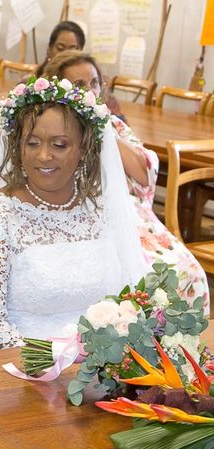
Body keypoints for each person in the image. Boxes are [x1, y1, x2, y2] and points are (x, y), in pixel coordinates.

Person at [0, 76, 150, 356]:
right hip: (24, 372)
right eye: (32, 143)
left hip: (103, 369)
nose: (43, 156)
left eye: (59, 145)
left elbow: (132, 296)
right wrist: (56, 360)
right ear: (18, 147)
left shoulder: (101, 211)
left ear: (84, 150)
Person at [43, 50, 209, 310]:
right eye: (79, 85)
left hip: (128, 216)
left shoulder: (112, 125)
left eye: (94, 82)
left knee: (190, 274)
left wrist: (104, 131)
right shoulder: (50, 129)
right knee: (129, 283)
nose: (90, 91)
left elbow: (144, 172)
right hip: (76, 219)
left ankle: (174, 348)